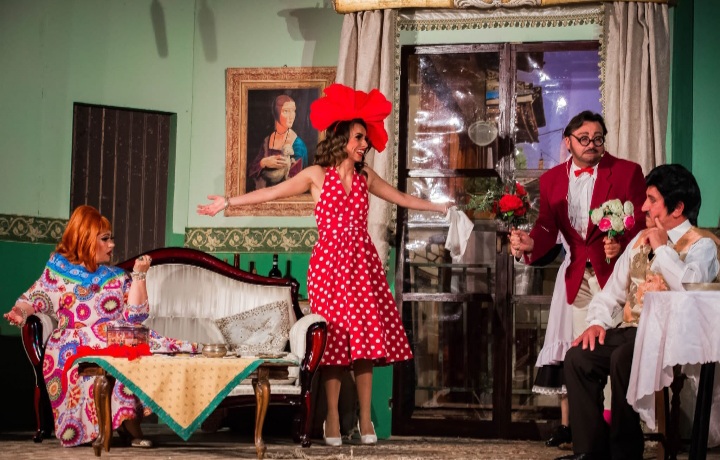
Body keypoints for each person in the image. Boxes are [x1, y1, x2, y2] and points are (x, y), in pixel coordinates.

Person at [197, 83, 448, 446]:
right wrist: (228, 202)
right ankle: (331, 416)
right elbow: (271, 192)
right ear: (343, 139)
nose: (364, 144)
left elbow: (401, 198)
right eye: (359, 138)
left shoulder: (364, 177)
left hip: (362, 265)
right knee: (335, 342)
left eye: (365, 138)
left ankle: (365, 419)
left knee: (364, 341)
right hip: (329, 267)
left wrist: (440, 207)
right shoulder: (317, 175)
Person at [558, 164, 720, 460]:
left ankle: (625, 452)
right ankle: (591, 451)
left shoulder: (703, 245)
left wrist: (663, 249)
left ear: (677, 208)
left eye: (652, 199)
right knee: (579, 356)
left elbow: (689, 291)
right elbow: (611, 293)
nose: (643, 206)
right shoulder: (638, 241)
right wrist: (597, 322)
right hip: (632, 331)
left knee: (624, 357)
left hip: (672, 337)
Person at [3, 205, 196, 448]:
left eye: (111, 238)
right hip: (72, 344)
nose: (112, 244)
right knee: (116, 349)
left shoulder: (117, 276)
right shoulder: (57, 271)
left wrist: (139, 276)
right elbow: (33, 298)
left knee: (143, 348)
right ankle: (117, 427)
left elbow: (135, 317)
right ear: (84, 238)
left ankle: (126, 421)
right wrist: (20, 313)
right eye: (105, 239)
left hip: (115, 337)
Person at [509, 111, 646, 448]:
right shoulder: (552, 180)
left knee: (618, 358)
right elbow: (546, 227)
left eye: (598, 138)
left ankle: (619, 436)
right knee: (583, 356)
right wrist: (530, 243)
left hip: (617, 276)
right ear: (568, 142)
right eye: (584, 138)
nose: (591, 144)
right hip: (577, 278)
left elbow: (643, 224)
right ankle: (589, 440)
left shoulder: (627, 172)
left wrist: (622, 244)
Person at [247, 94, 308, 191]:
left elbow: (298, 181)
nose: (291, 116)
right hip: (263, 194)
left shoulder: (298, 145)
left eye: (293, 111)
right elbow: (250, 172)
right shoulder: (267, 141)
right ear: (276, 112)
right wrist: (263, 162)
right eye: (286, 111)